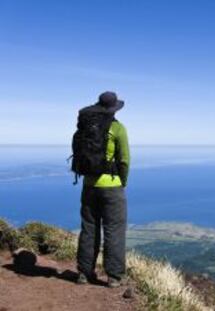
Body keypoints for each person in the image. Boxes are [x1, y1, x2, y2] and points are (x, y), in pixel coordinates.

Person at [72, 91, 130, 288]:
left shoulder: (86, 128)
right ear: (114, 109)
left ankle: (83, 273)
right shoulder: (118, 128)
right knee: (114, 229)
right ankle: (114, 277)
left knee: (89, 228)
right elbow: (124, 160)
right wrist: (122, 182)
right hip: (112, 188)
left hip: (88, 186)